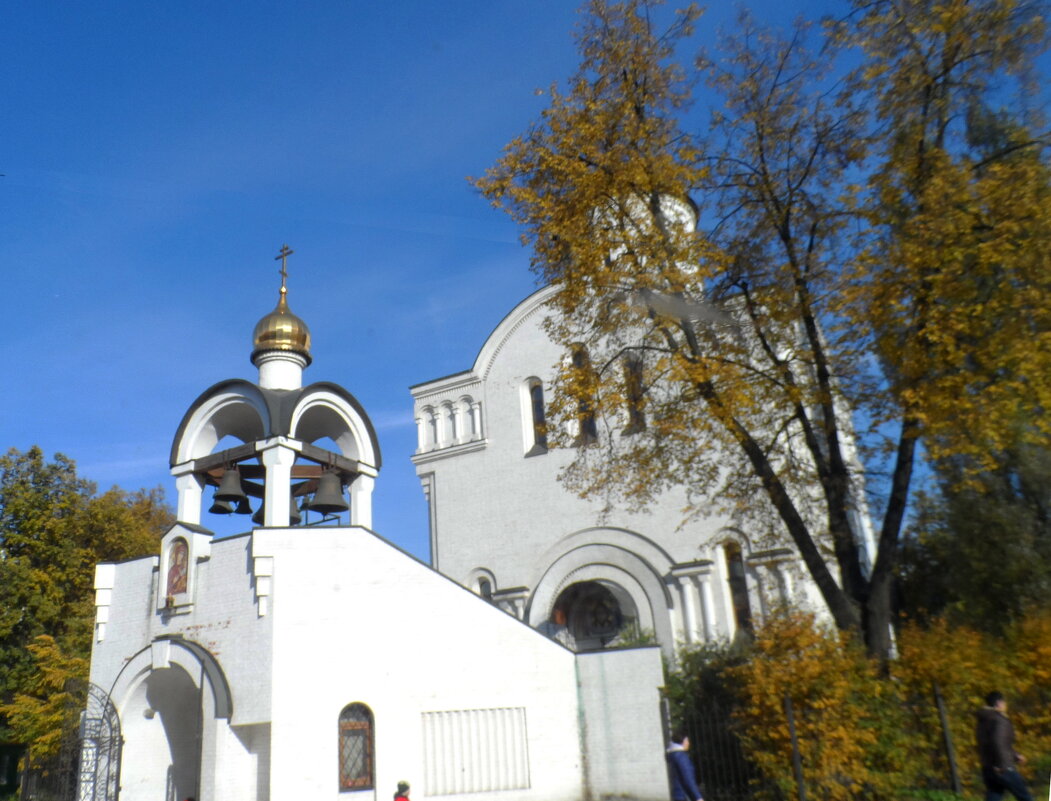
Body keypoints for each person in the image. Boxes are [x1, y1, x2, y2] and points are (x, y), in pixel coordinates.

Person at [976, 691, 1032, 801]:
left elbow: (993, 743)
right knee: (1025, 797)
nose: (1005, 705)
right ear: (998, 703)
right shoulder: (999, 720)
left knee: (994, 795)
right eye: (1004, 702)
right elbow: (998, 742)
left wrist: (1016, 755)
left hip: (987, 767)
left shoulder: (982, 721)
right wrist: (1001, 766)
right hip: (1003, 767)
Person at [666, 729, 703, 801]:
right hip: (685, 795)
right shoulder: (681, 756)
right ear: (683, 741)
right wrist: (698, 797)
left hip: (677, 795)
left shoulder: (672, 755)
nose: (688, 743)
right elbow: (688, 778)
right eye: (687, 740)